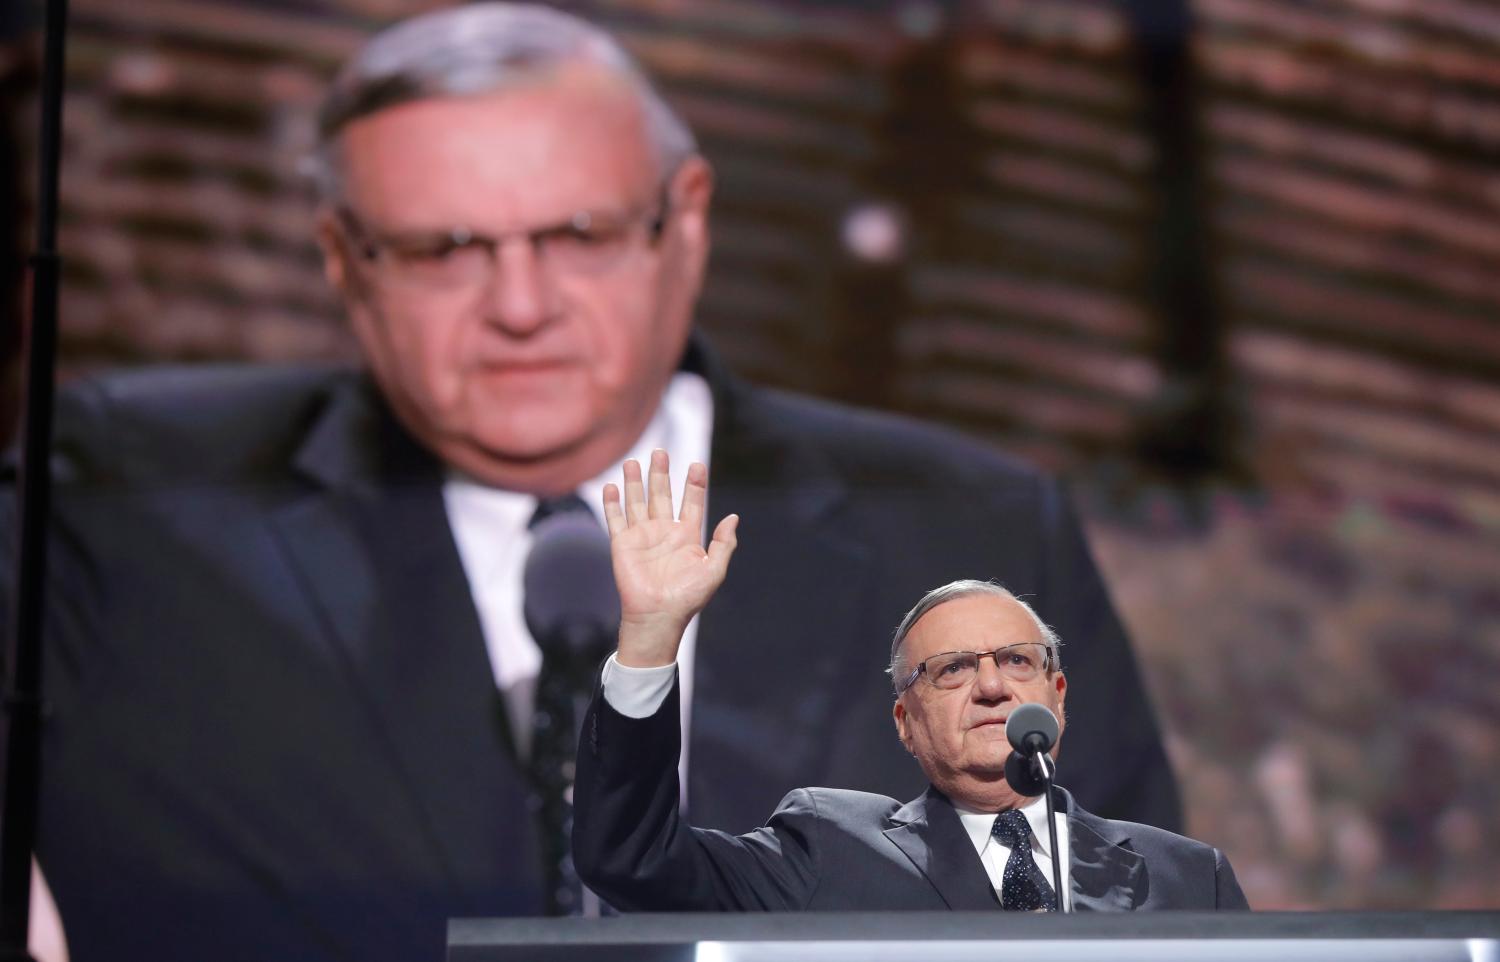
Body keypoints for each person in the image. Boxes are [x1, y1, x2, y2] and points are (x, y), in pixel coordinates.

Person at [3, 4, 1179, 959]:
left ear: (688, 221)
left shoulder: (964, 524)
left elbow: (1138, 927)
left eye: (576, 235)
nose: (520, 306)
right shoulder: (120, 511)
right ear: (342, 262)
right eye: (443, 249)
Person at [576, 452, 1247, 912]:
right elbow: (634, 861)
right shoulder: (828, 853)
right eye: (952, 669)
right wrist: (651, 637)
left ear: (1057, 697)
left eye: (1016, 660)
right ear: (906, 722)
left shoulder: (1187, 877)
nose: (991, 687)